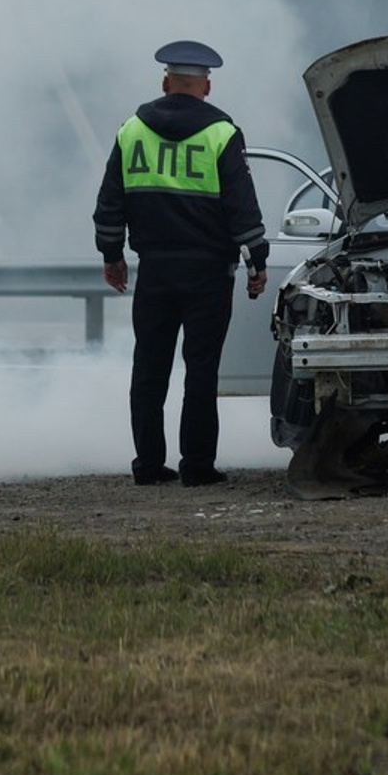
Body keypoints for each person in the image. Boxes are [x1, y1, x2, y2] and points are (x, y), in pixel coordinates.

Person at [94, 40, 269, 487]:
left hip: (154, 270)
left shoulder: (131, 130)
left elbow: (110, 205)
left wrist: (112, 257)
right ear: (205, 87)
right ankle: (197, 466)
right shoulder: (223, 133)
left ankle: (149, 465)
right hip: (208, 273)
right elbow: (241, 207)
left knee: (149, 368)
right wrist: (257, 261)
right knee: (201, 369)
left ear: (165, 82)